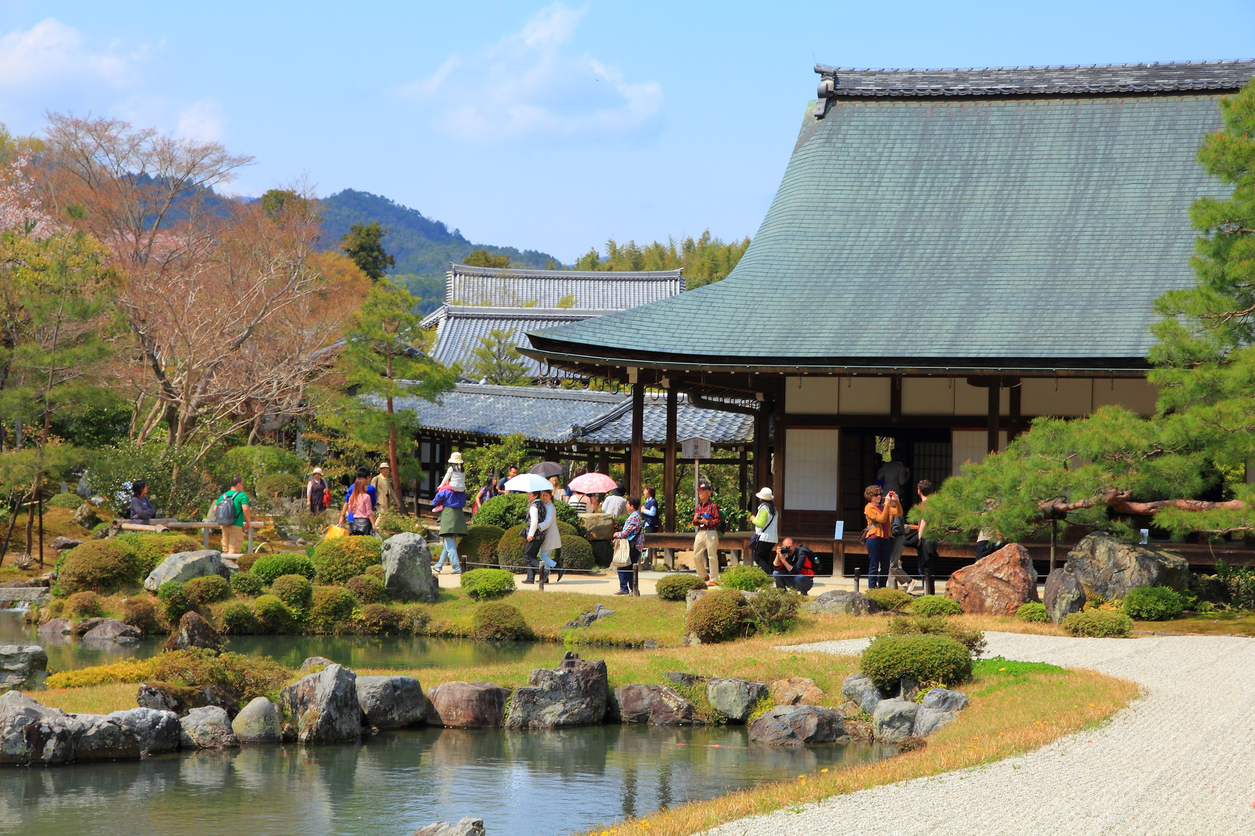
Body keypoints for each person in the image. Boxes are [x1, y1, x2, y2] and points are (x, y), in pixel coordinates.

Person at [863, 484, 901, 589]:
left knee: (885, 566)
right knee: (874, 565)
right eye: (876, 495)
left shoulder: (884, 507)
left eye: (880, 494)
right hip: (873, 538)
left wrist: (896, 501)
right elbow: (881, 519)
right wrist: (887, 505)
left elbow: (899, 512)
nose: (879, 496)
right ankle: (872, 589)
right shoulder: (869, 507)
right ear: (870, 496)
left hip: (885, 538)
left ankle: (882, 588)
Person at [431, 478, 468, 573]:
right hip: (458, 516)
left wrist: (438, 503)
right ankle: (439, 565)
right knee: (447, 544)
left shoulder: (446, 491)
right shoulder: (462, 492)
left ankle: (457, 568)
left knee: (450, 543)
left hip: (448, 515)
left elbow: (435, 501)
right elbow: (463, 503)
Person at [911, 479, 939, 596]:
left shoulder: (925, 504)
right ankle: (929, 592)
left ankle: (927, 592)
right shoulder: (934, 504)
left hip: (926, 537)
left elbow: (923, 522)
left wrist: (919, 537)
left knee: (924, 566)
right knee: (928, 566)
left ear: (919, 491)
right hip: (933, 536)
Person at [612, 495, 645, 595]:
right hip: (632, 545)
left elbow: (626, 533)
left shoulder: (634, 517)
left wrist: (617, 534)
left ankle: (630, 589)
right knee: (625, 567)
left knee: (627, 567)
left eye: (627, 504)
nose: (626, 505)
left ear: (631, 506)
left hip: (633, 546)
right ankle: (626, 588)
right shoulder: (634, 516)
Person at [691, 479, 722, 582]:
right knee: (696, 555)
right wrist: (695, 520)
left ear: (709, 492)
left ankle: (714, 579)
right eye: (699, 491)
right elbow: (695, 523)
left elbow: (718, 521)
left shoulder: (713, 506)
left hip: (711, 531)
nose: (700, 492)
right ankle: (703, 575)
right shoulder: (698, 506)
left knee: (712, 556)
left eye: (703, 491)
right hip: (701, 532)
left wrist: (707, 521)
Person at [215, 476, 252, 554]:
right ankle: (230, 566)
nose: (243, 486)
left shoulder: (223, 496)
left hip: (224, 525)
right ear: (238, 484)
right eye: (242, 484)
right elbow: (245, 509)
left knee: (225, 550)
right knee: (233, 550)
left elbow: (215, 509)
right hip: (236, 525)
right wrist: (248, 521)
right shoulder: (242, 495)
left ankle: (224, 565)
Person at [338, 466, 377, 536]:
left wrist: (342, 516)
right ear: (368, 477)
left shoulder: (351, 488)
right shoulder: (370, 489)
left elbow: (347, 502)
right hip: (365, 520)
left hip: (352, 518)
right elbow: (372, 505)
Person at [748, 486, 779, 574]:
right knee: (765, 557)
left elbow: (761, 523)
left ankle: (769, 573)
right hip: (772, 538)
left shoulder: (764, 508)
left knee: (757, 557)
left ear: (761, 498)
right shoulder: (774, 509)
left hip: (764, 537)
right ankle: (765, 576)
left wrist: (753, 519)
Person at [640, 485, 660, 565]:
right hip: (648, 523)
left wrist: (644, 510)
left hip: (652, 524)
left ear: (649, 492)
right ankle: (649, 560)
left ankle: (651, 561)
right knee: (649, 542)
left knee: (651, 542)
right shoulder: (648, 501)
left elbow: (652, 513)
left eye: (645, 490)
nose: (644, 492)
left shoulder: (653, 502)